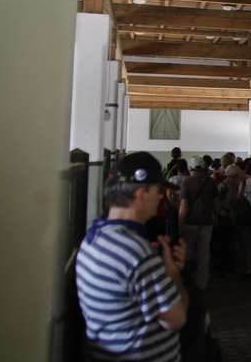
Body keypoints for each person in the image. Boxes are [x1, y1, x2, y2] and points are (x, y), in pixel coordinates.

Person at [76, 151, 188, 361]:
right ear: (141, 193)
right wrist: (173, 274)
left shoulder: (96, 235)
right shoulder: (136, 251)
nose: (161, 197)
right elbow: (176, 319)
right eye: (158, 190)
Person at [179, 157, 218, 290]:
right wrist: (216, 216)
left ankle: (188, 283)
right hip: (207, 222)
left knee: (188, 253)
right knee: (204, 254)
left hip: (190, 222)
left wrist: (180, 222)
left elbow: (184, 205)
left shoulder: (187, 182)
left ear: (191, 168)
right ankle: (201, 283)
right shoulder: (211, 182)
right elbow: (216, 203)